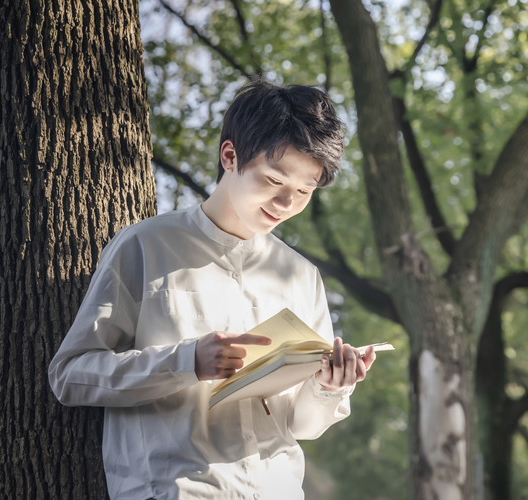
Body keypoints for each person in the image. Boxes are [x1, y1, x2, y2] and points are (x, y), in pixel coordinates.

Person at [48, 79, 377, 499]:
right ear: (229, 156)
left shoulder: (300, 275)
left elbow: (302, 426)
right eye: (274, 180)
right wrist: (187, 361)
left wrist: (330, 386)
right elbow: (71, 375)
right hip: (176, 489)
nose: (285, 203)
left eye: (303, 191)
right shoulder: (145, 246)